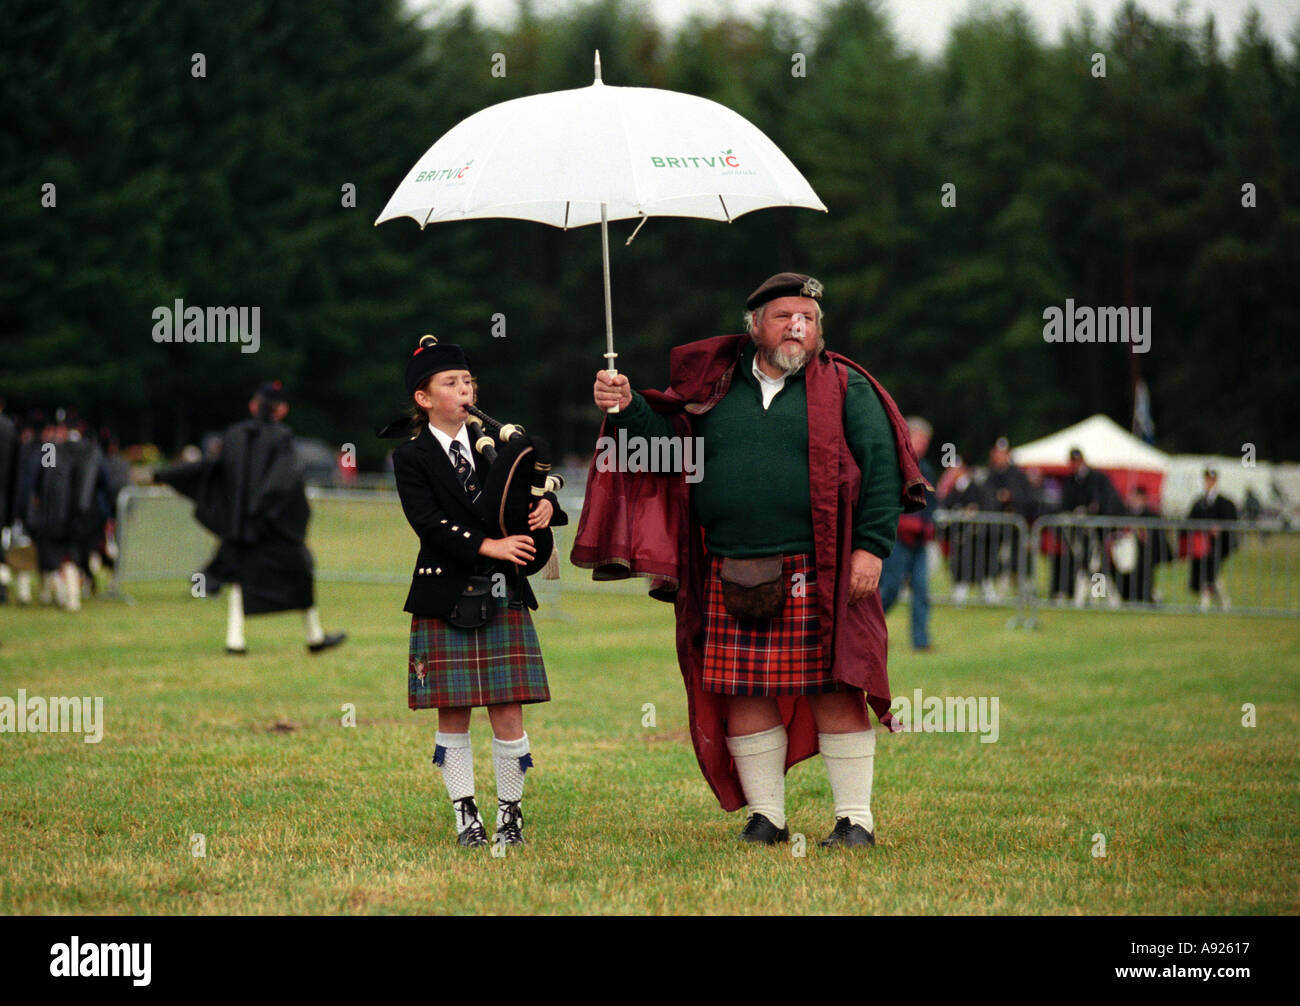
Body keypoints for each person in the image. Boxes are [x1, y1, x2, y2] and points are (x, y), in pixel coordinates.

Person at [575, 273, 927, 849]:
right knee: (744, 690)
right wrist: (626, 405)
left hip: (826, 565)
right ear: (755, 325)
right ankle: (767, 816)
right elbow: (665, 446)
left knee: (839, 687)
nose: (798, 327)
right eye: (786, 316)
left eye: (809, 319)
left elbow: (882, 468)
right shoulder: (716, 387)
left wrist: (872, 547)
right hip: (731, 563)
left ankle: (855, 820)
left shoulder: (845, 387)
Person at [391, 336, 565, 848]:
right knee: (453, 710)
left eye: (468, 381)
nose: (465, 389)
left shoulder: (500, 450)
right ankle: (466, 814)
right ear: (424, 398)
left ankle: (510, 814)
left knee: (508, 708)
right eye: (451, 383)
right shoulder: (411, 457)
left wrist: (550, 509)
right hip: (444, 593)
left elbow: (532, 495)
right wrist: (488, 544)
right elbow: (428, 523)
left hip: (502, 591)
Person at [155, 381, 345, 655]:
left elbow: (209, 469)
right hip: (272, 526)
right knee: (300, 574)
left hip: (240, 528)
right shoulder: (282, 438)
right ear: (281, 409)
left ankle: (238, 641)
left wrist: (165, 474)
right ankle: (311, 637)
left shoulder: (233, 435)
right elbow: (285, 481)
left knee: (239, 579)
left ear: (254, 406)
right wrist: (267, 512)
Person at [879, 417, 937, 650]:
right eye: (919, 438)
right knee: (890, 588)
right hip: (897, 539)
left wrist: (928, 525)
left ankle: (921, 641)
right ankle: (867, 628)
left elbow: (933, 503)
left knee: (922, 590)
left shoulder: (927, 469)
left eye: (926, 440)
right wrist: (902, 523)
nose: (922, 444)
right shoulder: (895, 464)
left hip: (920, 540)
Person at [1051, 447, 1123, 604]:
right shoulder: (1070, 481)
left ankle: (1099, 595)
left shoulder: (1098, 478)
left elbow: (1107, 502)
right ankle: (1085, 596)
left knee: (1097, 564)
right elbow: (1065, 504)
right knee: (1084, 564)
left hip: (1097, 530)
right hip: (1078, 532)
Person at [1186, 467, 1238, 611]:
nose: (1208, 482)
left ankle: (1206, 602)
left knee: (1211, 572)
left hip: (1219, 545)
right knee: (1210, 574)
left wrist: (1220, 528)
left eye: (1211, 479)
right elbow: (1190, 520)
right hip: (1201, 544)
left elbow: (1231, 521)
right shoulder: (1199, 502)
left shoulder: (1225, 502)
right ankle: (1223, 602)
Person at [1114, 485, 1171, 604]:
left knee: (1144, 579)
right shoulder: (1125, 513)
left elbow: (1157, 537)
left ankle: (1147, 597)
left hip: (1146, 554)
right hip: (1127, 553)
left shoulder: (1152, 515)